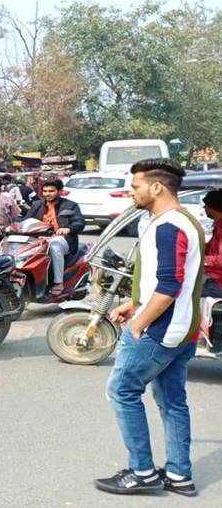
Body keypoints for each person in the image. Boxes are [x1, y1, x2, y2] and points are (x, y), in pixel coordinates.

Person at [95, 158, 203, 497]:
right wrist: (136, 303)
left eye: (135, 186)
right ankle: (179, 476)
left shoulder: (168, 225)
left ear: (157, 187)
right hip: (183, 329)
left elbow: (170, 285)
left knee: (122, 391)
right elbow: (173, 281)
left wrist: (140, 322)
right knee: (172, 402)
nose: (131, 192)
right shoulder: (185, 220)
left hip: (160, 331)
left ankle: (142, 472)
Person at [26, 178, 86, 298]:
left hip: (62, 240)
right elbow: (27, 220)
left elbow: (79, 222)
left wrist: (68, 229)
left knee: (54, 246)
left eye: (51, 191)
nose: (47, 194)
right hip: (39, 239)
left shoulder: (70, 205)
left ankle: (58, 282)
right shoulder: (37, 205)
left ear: (60, 191)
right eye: (45, 191)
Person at [201, 190, 222, 299]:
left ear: (214, 207)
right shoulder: (218, 227)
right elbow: (209, 248)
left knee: (181, 292)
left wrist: (201, 260)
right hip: (213, 277)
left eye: (206, 205)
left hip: (218, 283)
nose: (204, 208)